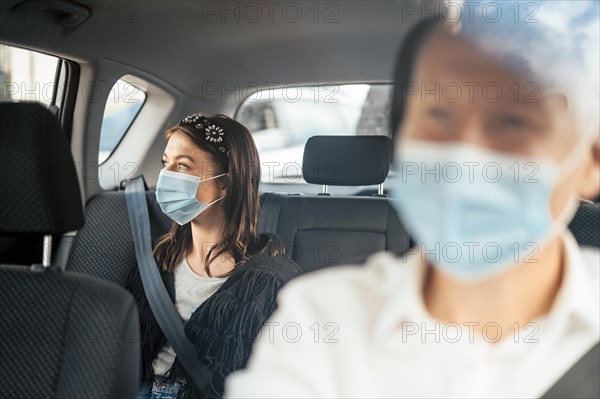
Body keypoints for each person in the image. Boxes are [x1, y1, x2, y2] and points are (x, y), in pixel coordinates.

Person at [224, 1, 600, 398]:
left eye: (513, 120)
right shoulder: (320, 322)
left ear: (591, 159)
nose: (463, 156)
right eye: (437, 114)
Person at [126, 113, 301, 399]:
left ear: (226, 183)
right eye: (165, 163)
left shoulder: (270, 279)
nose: (166, 176)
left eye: (182, 165)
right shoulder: (160, 258)